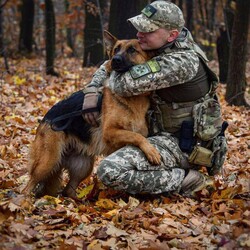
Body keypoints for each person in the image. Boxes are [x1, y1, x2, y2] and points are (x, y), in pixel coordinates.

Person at [82, 0, 227, 198]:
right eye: (140, 27)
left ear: (172, 35)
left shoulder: (181, 61)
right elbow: (111, 63)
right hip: (160, 135)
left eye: (148, 30)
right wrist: (91, 90)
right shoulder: (159, 48)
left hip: (183, 144)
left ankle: (190, 180)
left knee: (110, 171)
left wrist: (110, 70)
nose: (140, 33)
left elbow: (123, 84)